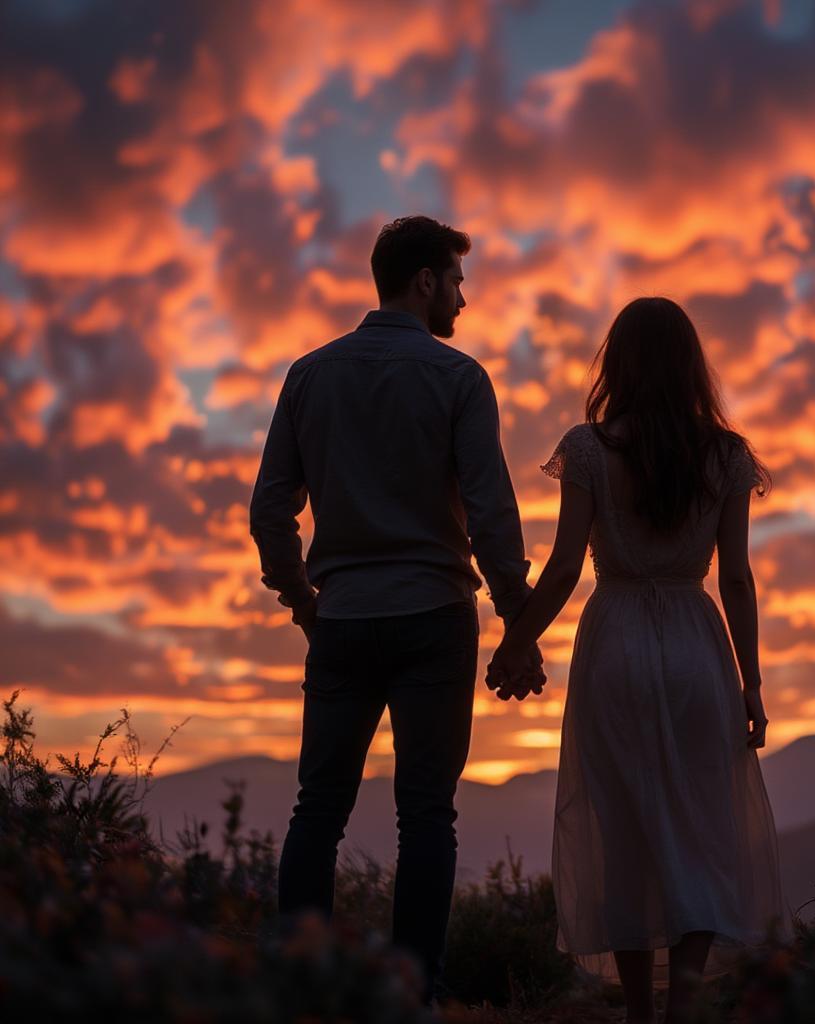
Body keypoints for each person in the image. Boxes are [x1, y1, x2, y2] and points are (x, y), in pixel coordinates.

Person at [249, 214, 545, 1007]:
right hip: (432, 617)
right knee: (427, 816)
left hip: (343, 620)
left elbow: (270, 511)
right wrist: (520, 623)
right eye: (456, 280)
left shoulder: (309, 375)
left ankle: (304, 989)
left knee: (318, 811)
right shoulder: (458, 378)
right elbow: (491, 518)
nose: (463, 297)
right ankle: (414, 997)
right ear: (425, 281)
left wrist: (305, 602)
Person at [486, 296, 791, 1024]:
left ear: (616, 363)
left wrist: (516, 639)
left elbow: (563, 568)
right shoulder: (726, 455)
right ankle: (682, 1001)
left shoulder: (590, 449)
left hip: (615, 643)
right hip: (697, 644)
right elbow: (738, 579)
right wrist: (752, 684)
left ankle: (639, 1015)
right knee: (700, 826)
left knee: (621, 830)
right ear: (692, 366)